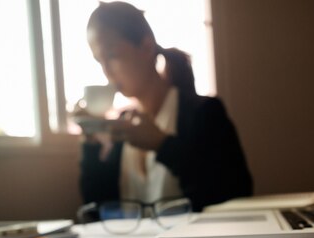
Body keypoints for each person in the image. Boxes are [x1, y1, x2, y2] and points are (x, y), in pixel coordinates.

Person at [79, 1, 253, 212]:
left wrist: (163, 145)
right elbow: (98, 206)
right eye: (99, 61)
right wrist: (90, 142)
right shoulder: (124, 125)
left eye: (112, 56)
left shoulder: (204, 113)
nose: (106, 70)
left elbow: (234, 193)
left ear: (146, 47)